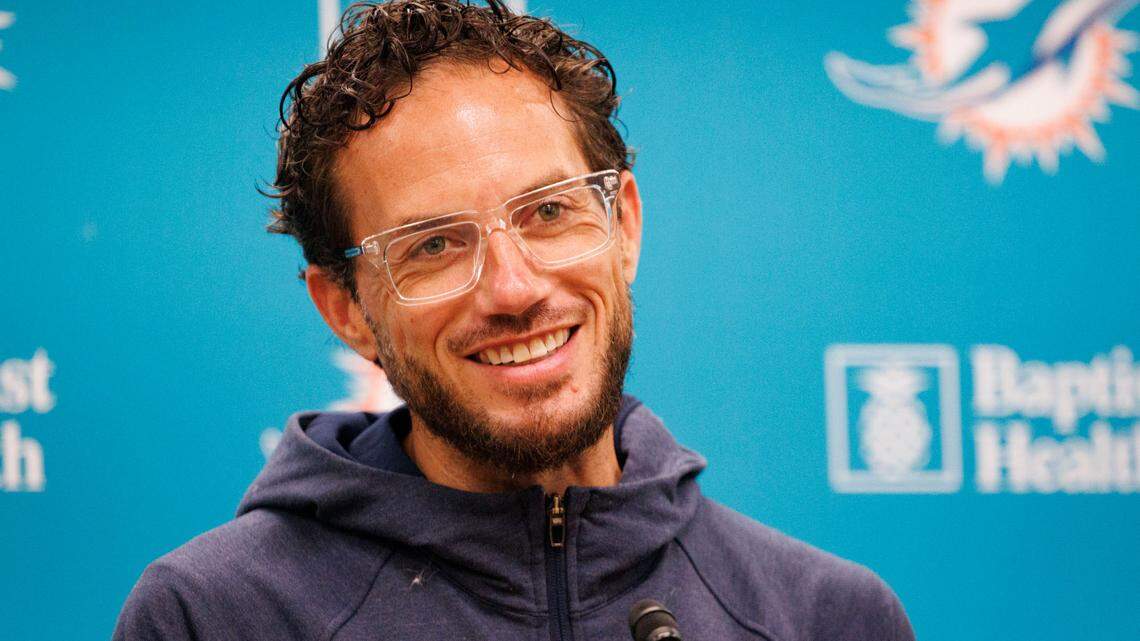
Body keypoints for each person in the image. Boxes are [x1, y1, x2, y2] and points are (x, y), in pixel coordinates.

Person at [114, 2, 916, 639]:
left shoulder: (828, 616)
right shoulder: (213, 616)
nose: (514, 287)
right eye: (433, 244)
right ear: (347, 309)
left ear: (625, 226)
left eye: (549, 212)